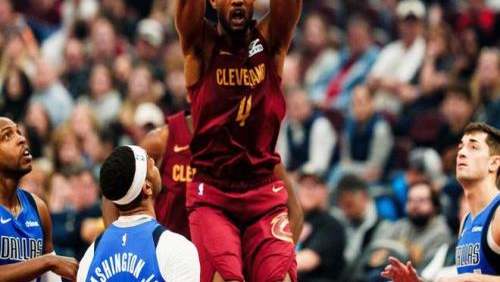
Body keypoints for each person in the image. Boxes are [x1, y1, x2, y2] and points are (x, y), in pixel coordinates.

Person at [175, 0, 302, 282]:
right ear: (213, 1)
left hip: (263, 190)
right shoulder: (201, 47)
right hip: (213, 192)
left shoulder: (271, 41)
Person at [103, 110, 303, 242]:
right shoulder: (164, 140)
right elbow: (113, 189)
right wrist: (123, 248)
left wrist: (272, 265)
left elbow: (294, 212)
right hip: (170, 265)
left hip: (225, 270)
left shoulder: (251, 143)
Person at [382, 122, 500, 281]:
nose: (462, 153)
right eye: (461, 147)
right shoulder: (466, 220)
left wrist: (471, 279)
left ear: (494, 163)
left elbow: (469, 279)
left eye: (473, 147)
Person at [77, 145, 199, 281]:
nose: (155, 163)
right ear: (147, 187)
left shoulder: (91, 255)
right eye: (151, 164)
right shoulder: (177, 248)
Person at [0, 116, 79, 281]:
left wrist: (49, 263)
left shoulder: (37, 207)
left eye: (19, 133)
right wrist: (47, 261)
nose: (21, 139)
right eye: (7, 136)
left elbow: (51, 277)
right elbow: (49, 264)